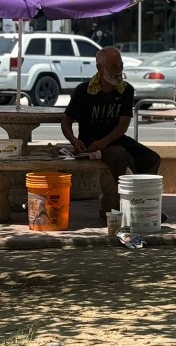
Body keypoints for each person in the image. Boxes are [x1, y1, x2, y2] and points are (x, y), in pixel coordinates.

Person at [61, 47, 163, 218]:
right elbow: (66, 121)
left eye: (120, 65)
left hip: (114, 138)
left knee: (151, 158)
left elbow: (123, 125)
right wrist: (73, 140)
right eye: (114, 66)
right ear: (100, 69)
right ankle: (134, 202)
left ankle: (144, 198)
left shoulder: (126, 90)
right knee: (120, 155)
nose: (119, 70)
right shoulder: (83, 91)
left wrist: (105, 141)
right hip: (91, 141)